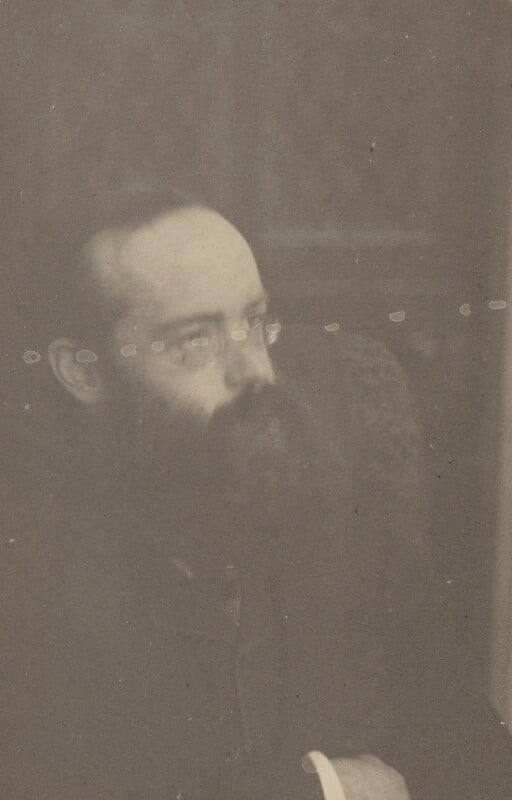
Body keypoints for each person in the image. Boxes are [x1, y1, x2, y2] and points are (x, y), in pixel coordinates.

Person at [2, 181, 511, 800]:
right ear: (85, 372)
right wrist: (330, 789)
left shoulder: (356, 539)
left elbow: (482, 765)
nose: (257, 371)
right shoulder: (30, 594)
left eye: (255, 322)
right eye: (196, 340)